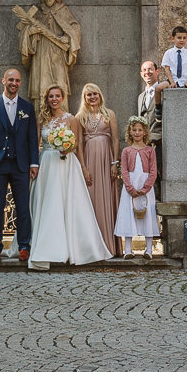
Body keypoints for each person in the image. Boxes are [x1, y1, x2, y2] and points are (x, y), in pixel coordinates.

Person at [28, 84, 114, 268]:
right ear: (47, 99)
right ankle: (48, 248)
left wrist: (77, 160)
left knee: (69, 205)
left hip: (66, 164)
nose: (54, 99)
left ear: (62, 98)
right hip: (47, 164)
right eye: (51, 96)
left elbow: (77, 145)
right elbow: (35, 144)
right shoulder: (41, 119)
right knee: (49, 205)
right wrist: (33, 164)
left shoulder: (71, 119)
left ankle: (74, 247)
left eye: (57, 96)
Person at [0, 67, 38, 262]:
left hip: (20, 165)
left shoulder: (27, 108)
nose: (14, 83)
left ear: (20, 83)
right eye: (11, 80)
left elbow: (32, 138)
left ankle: (24, 246)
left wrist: (34, 163)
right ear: (3, 81)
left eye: (17, 81)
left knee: (23, 207)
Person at [75, 83, 120, 255]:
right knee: (91, 200)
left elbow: (116, 140)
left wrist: (114, 162)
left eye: (95, 94)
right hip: (89, 160)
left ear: (100, 95)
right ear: (84, 98)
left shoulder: (109, 114)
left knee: (107, 198)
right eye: (89, 95)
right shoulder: (80, 117)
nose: (92, 97)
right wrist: (83, 168)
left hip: (107, 159)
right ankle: (92, 246)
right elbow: (78, 144)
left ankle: (109, 245)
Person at [113, 117, 160, 259]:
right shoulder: (127, 151)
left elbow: (153, 171)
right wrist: (129, 187)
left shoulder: (150, 150)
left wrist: (146, 188)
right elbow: (124, 170)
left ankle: (149, 250)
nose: (137, 132)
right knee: (129, 214)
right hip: (131, 186)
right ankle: (128, 249)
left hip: (146, 186)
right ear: (130, 132)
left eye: (140, 130)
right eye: (134, 130)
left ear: (145, 132)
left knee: (148, 214)